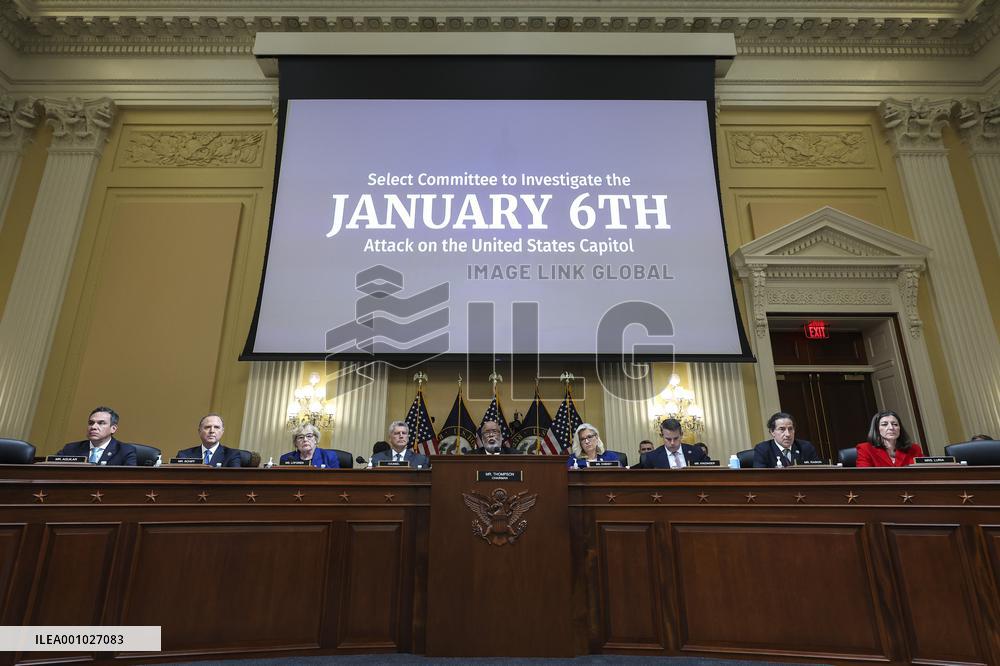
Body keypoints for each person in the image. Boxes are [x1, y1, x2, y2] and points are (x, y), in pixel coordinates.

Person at [57, 406, 136, 465]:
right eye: (91, 423)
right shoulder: (70, 449)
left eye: (101, 423)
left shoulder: (125, 451)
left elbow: (128, 480)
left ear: (113, 428)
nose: (93, 427)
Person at [856, 409, 923, 467]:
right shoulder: (865, 449)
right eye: (884, 424)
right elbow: (865, 476)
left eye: (895, 424)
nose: (891, 428)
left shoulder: (914, 449)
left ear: (900, 428)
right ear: (877, 429)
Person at [752, 412, 820, 468]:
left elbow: (818, 473)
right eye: (782, 429)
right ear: (772, 432)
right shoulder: (763, 449)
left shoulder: (806, 447)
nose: (787, 434)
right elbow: (760, 477)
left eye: (790, 429)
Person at [640, 418, 711, 469]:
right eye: (668, 439)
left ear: (681, 435)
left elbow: (711, 470)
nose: (672, 443)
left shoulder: (696, 452)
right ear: (661, 436)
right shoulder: (652, 457)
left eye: (676, 438)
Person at [175, 413, 242, 467]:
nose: (212, 431)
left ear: (222, 432)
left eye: (216, 427)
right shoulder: (184, 455)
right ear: (199, 431)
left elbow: (234, 480)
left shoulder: (232, 455)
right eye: (207, 427)